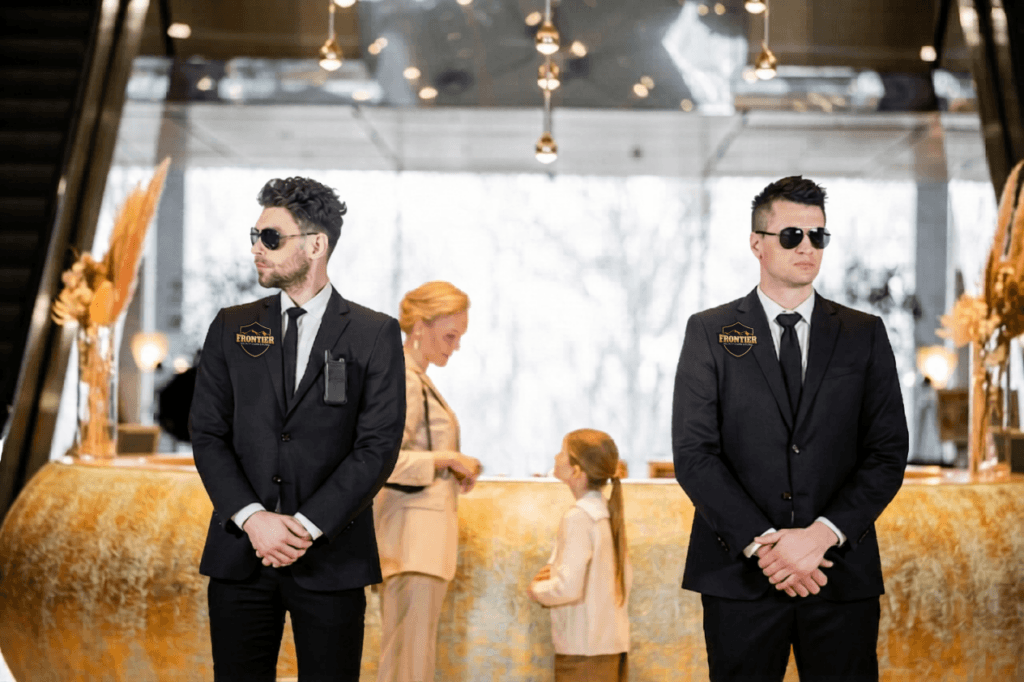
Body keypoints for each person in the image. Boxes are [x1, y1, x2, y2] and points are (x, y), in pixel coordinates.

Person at [671, 176, 909, 681]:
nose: (807, 247)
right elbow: (694, 454)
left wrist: (821, 536)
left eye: (818, 235)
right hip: (741, 574)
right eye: (792, 235)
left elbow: (887, 453)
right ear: (757, 243)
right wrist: (767, 545)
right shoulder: (709, 331)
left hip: (839, 573)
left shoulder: (863, 334)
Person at [189, 176, 406, 681]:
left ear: (316, 245)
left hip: (332, 558)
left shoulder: (375, 333)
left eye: (270, 238)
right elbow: (208, 435)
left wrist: (304, 527)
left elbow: (376, 447)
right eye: (255, 235)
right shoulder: (231, 325)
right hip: (241, 554)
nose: (256, 249)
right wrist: (254, 519)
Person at [372, 280, 481, 682]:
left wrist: (448, 466)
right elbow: (381, 462)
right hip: (412, 543)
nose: (454, 347)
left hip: (419, 545)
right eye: (450, 335)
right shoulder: (403, 378)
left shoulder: (416, 379)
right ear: (420, 326)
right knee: (407, 664)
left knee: (409, 660)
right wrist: (447, 458)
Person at [528, 428, 631, 682]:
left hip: (582, 652)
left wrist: (536, 589)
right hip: (608, 645)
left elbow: (569, 588)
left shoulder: (579, 517)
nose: (555, 456)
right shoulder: (606, 512)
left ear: (576, 471)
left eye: (563, 452)